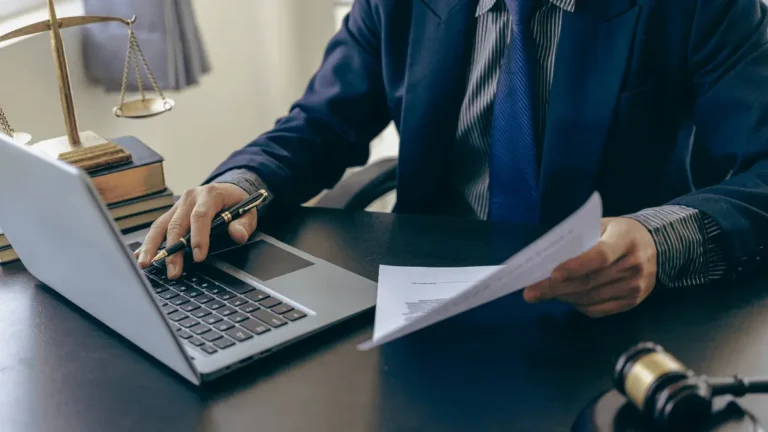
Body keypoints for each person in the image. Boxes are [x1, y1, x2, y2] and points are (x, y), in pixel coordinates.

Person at [136, 0, 768, 318]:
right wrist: (238, 184)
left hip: (608, 310)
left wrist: (659, 240)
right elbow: (320, 125)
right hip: (429, 307)